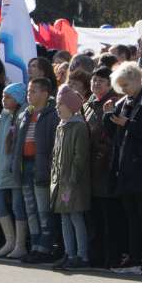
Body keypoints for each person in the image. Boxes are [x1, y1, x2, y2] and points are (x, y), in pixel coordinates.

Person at [104, 60, 142, 275]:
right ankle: (134, 255)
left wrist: (127, 124)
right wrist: (108, 118)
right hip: (125, 168)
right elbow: (114, 135)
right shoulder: (124, 102)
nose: (123, 90)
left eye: (126, 85)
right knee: (131, 215)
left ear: (136, 80)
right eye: (120, 86)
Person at [16, 77, 59, 263]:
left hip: (41, 166)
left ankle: (45, 248)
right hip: (25, 164)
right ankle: (34, 245)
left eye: (33, 91)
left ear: (45, 93)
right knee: (30, 209)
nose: (29, 94)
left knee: (43, 210)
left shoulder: (52, 114)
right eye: (28, 91)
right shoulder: (27, 113)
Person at [84, 67, 122, 268]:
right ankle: (96, 254)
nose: (95, 84)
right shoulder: (89, 104)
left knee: (109, 217)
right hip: (90, 165)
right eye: (94, 79)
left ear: (109, 84)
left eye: (101, 81)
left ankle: (111, 255)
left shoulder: (113, 102)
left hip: (105, 165)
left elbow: (111, 134)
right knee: (95, 216)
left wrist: (102, 152)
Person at [50, 84, 91, 270]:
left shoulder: (79, 127)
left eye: (61, 104)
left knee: (75, 217)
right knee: (65, 217)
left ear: (71, 106)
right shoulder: (61, 127)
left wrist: (71, 180)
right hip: (61, 181)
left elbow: (79, 156)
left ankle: (82, 255)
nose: (57, 108)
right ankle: (69, 253)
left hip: (72, 182)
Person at [0, 82, 28, 257]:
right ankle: (10, 241)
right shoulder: (4, 115)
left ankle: (20, 245)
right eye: (3, 97)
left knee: (17, 205)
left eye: (8, 97)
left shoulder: (22, 115)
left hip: (14, 168)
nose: (4, 100)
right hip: (1, 166)